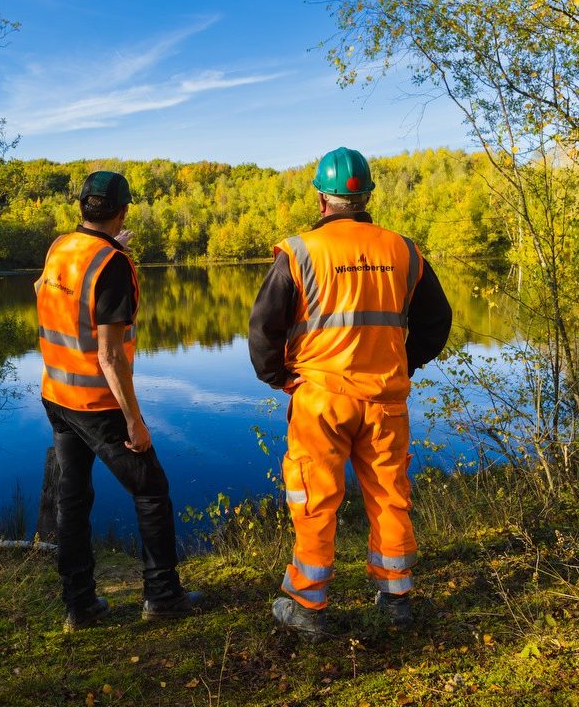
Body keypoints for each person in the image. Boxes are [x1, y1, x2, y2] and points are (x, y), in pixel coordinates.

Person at [249, 147, 452, 641]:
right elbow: (437, 322)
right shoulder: (403, 250)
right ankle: (395, 598)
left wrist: (278, 377)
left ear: (322, 197)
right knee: (389, 495)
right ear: (366, 197)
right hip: (384, 398)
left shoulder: (299, 252)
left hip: (320, 399)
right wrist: (405, 362)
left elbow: (263, 330)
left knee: (315, 500)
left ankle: (308, 606)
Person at [36, 170, 203, 631]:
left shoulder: (61, 248)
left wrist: (114, 248)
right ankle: (163, 595)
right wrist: (135, 420)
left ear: (82, 208)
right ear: (123, 210)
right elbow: (109, 355)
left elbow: (44, 292)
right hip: (96, 401)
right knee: (151, 491)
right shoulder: (111, 264)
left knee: (72, 500)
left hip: (57, 394)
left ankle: (80, 606)